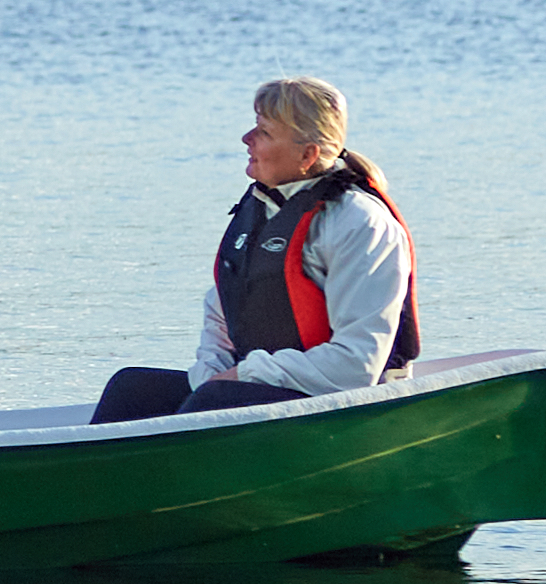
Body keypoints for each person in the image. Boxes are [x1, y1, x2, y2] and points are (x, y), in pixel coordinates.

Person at [93, 79, 421, 422]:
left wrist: (241, 376)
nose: (246, 139)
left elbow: (356, 365)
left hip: (343, 403)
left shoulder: (359, 223)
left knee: (214, 400)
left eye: (263, 132)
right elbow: (221, 315)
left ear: (307, 154)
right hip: (265, 388)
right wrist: (212, 374)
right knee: (131, 388)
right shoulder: (264, 208)